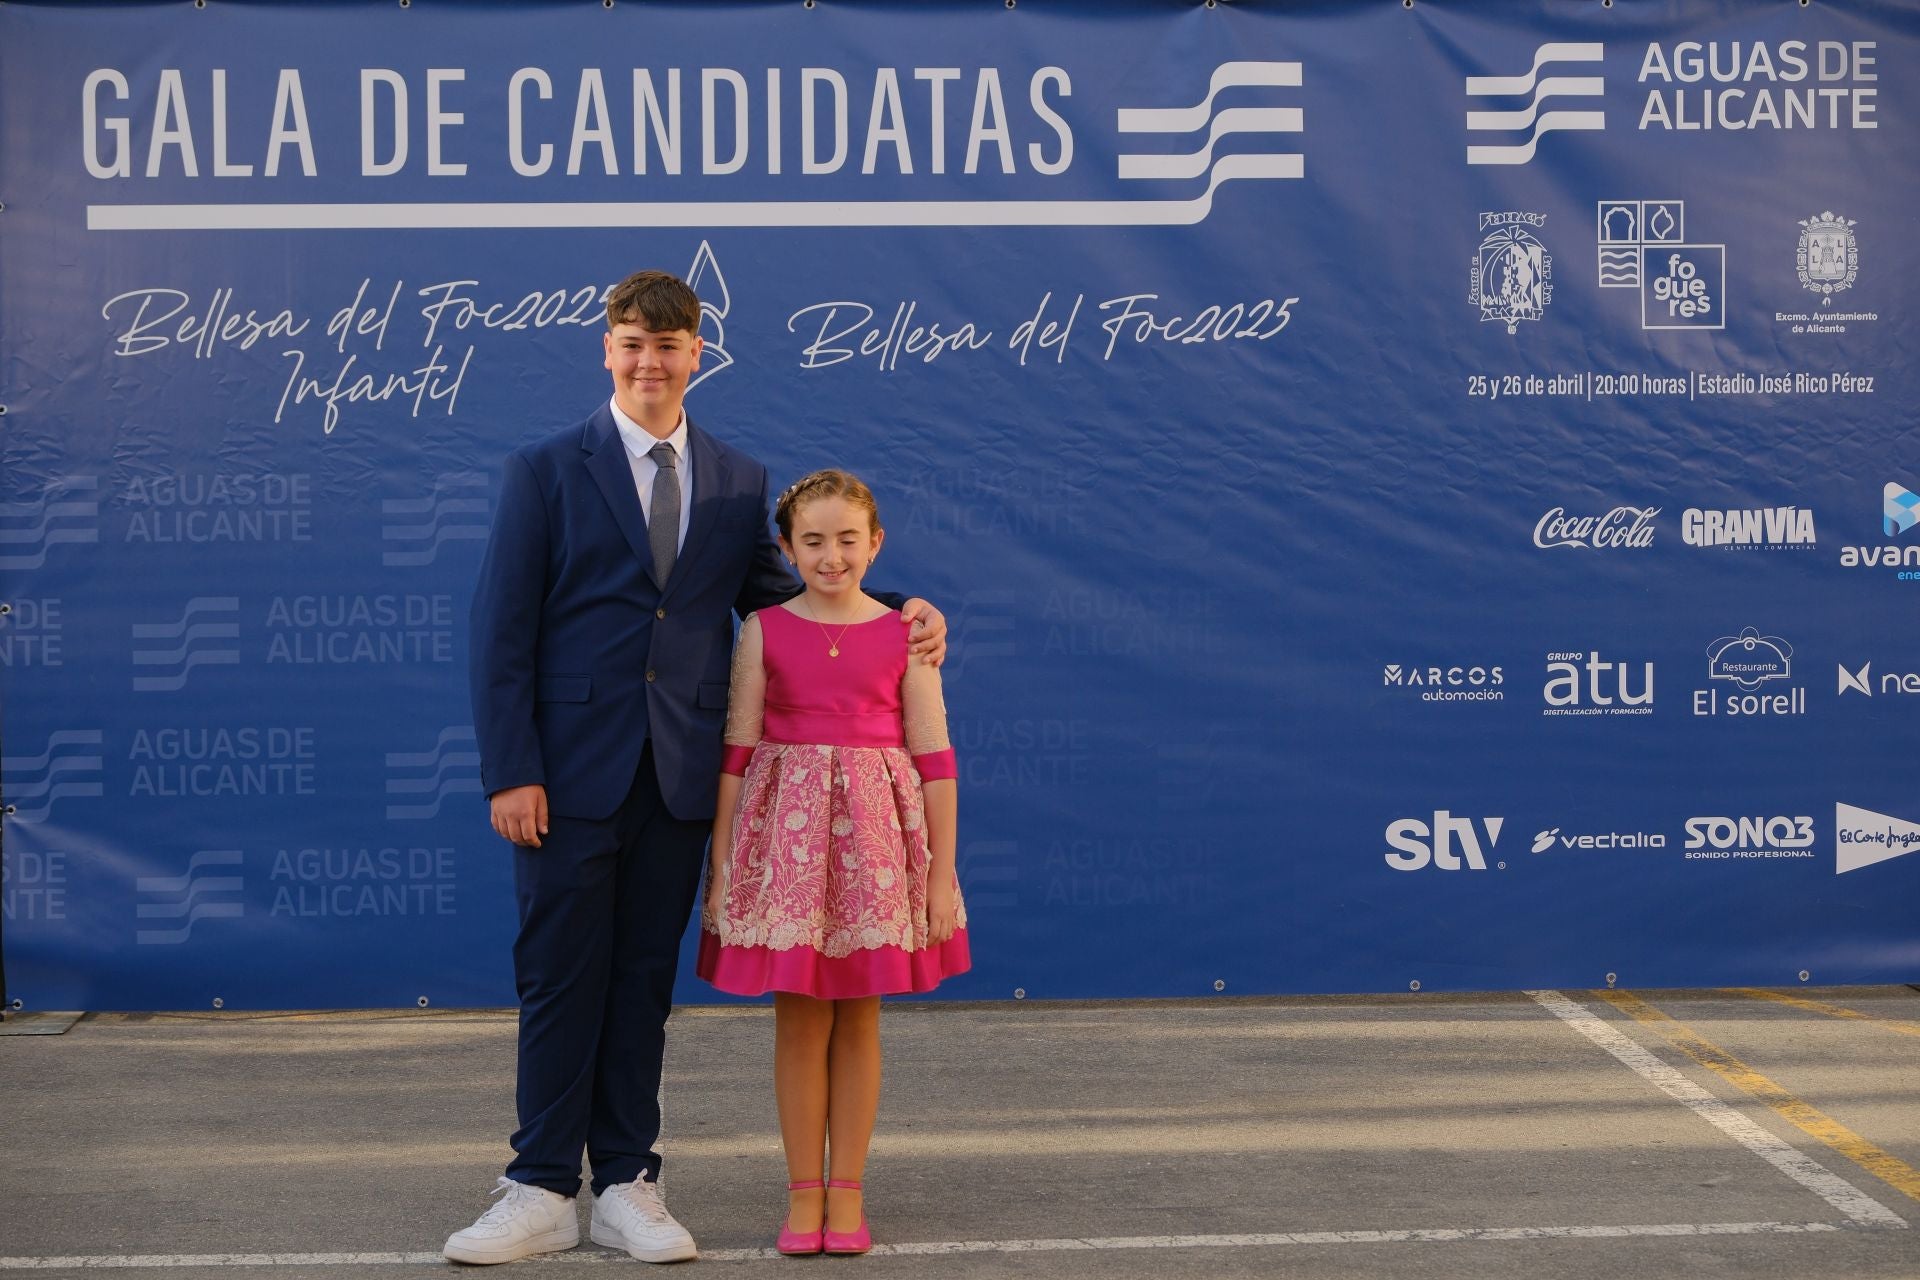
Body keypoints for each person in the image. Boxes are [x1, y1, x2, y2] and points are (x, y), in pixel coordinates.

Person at [446, 273, 946, 1266]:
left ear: (698, 355)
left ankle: (630, 1179)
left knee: (641, 982)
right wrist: (513, 769)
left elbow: (781, 591)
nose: (650, 360)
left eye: (670, 345)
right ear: (607, 348)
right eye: (633, 342)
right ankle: (540, 1184)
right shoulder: (543, 470)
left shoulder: (734, 478)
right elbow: (500, 629)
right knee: (558, 976)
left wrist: (903, 609)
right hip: (566, 777)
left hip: (678, 778)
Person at [696, 469, 970, 1256]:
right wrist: (723, 862)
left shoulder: (904, 635)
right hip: (785, 852)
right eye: (812, 541)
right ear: (785, 548)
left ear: (875, 544)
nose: (831, 555)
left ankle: (846, 1191)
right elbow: (736, 753)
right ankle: (803, 1194)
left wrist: (941, 874)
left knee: (860, 1018)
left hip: (879, 855)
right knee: (798, 1019)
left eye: (848, 539)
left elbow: (935, 758)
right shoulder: (763, 629)